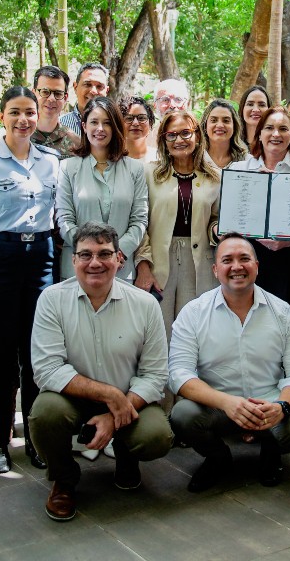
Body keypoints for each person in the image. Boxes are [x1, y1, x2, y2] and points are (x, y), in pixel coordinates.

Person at [28, 223, 174, 521]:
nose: (95, 263)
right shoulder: (52, 300)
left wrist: (116, 410)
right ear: (73, 260)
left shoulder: (146, 305)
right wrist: (108, 394)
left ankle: (127, 456)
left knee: (156, 435)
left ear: (119, 259)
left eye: (105, 254)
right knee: (44, 413)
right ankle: (64, 479)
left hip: (128, 399)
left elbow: (155, 375)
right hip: (71, 399)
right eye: (85, 255)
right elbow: (47, 369)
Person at [169, 235, 290, 491]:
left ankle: (271, 450)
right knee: (182, 416)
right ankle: (218, 458)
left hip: (269, 404)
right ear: (216, 270)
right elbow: (179, 374)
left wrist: (281, 406)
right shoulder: (193, 313)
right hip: (219, 405)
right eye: (227, 260)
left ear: (257, 266)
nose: (237, 267)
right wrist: (226, 403)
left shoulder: (282, 312)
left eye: (244, 259)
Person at [0, 86, 60, 473]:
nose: (23, 120)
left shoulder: (52, 161)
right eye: (15, 112)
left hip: (42, 256)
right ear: (1, 116)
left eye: (30, 112)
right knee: (0, 355)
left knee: (36, 354)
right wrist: (0, 247)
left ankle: (36, 440)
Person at [225, 107, 290, 350]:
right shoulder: (239, 170)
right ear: (259, 134)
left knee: (288, 330)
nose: (275, 134)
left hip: (287, 260)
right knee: (247, 326)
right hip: (247, 259)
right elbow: (227, 218)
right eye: (269, 128)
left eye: (282, 129)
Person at [135, 110, 221, 327]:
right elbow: (139, 223)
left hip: (199, 261)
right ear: (164, 140)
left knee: (193, 328)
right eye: (171, 135)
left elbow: (216, 218)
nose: (179, 140)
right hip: (158, 260)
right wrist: (143, 266)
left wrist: (216, 230)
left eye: (185, 133)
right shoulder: (148, 174)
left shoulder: (215, 177)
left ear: (197, 136)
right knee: (159, 329)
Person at [58, 97, 148, 282]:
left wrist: (117, 251)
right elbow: (64, 220)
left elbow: (139, 219)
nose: (100, 129)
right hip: (77, 268)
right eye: (94, 122)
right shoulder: (67, 168)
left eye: (107, 123)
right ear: (84, 126)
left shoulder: (135, 169)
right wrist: (91, 253)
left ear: (115, 127)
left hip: (121, 267)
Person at [33, 65, 81, 157]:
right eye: (45, 92)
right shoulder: (15, 137)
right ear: (33, 93)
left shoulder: (76, 144)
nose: (51, 99)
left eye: (58, 94)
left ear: (65, 98)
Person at [59, 62, 110, 136]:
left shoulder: (116, 125)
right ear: (75, 87)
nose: (93, 91)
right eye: (87, 84)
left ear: (107, 91)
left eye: (99, 86)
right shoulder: (60, 125)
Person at [202, 99, 247, 169]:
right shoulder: (194, 158)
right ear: (205, 126)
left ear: (234, 126)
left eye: (226, 121)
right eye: (213, 120)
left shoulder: (247, 161)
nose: (220, 125)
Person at [119, 95, 156, 161]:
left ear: (150, 123)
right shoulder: (111, 159)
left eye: (141, 118)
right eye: (129, 118)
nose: (135, 123)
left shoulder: (159, 159)